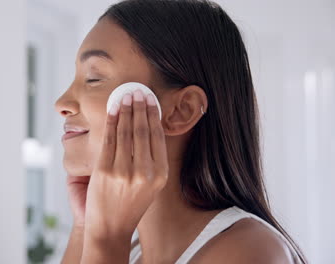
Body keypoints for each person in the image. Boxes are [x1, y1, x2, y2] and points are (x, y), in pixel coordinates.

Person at [54, 0, 307, 263]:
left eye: (93, 78)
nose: (61, 103)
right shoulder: (130, 251)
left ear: (181, 111)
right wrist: (85, 227)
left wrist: (107, 237)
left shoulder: (250, 252)